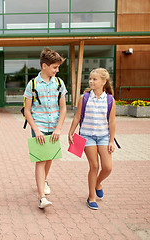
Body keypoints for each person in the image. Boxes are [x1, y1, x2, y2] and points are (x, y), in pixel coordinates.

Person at [23, 48, 67, 209]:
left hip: (54, 128)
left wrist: (59, 128)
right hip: (39, 127)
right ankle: (41, 197)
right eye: (55, 67)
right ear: (44, 66)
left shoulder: (59, 83)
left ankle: (44, 181)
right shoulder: (32, 84)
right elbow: (27, 110)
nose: (57, 70)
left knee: (49, 158)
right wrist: (36, 130)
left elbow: (63, 108)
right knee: (40, 161)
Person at [68, 68, 116, 210]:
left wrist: (111, 140)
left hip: (103, 136)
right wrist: (70, 132)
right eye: (90, 79)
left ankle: (97, 183)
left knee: (107, 167)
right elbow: (77, 117)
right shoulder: (85, 98)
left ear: (103, 81)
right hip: (87, 136)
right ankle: (91, 197)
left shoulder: (109, 100)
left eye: (94, 79)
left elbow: (112, 122)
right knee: (94, 166)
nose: (91, 81)